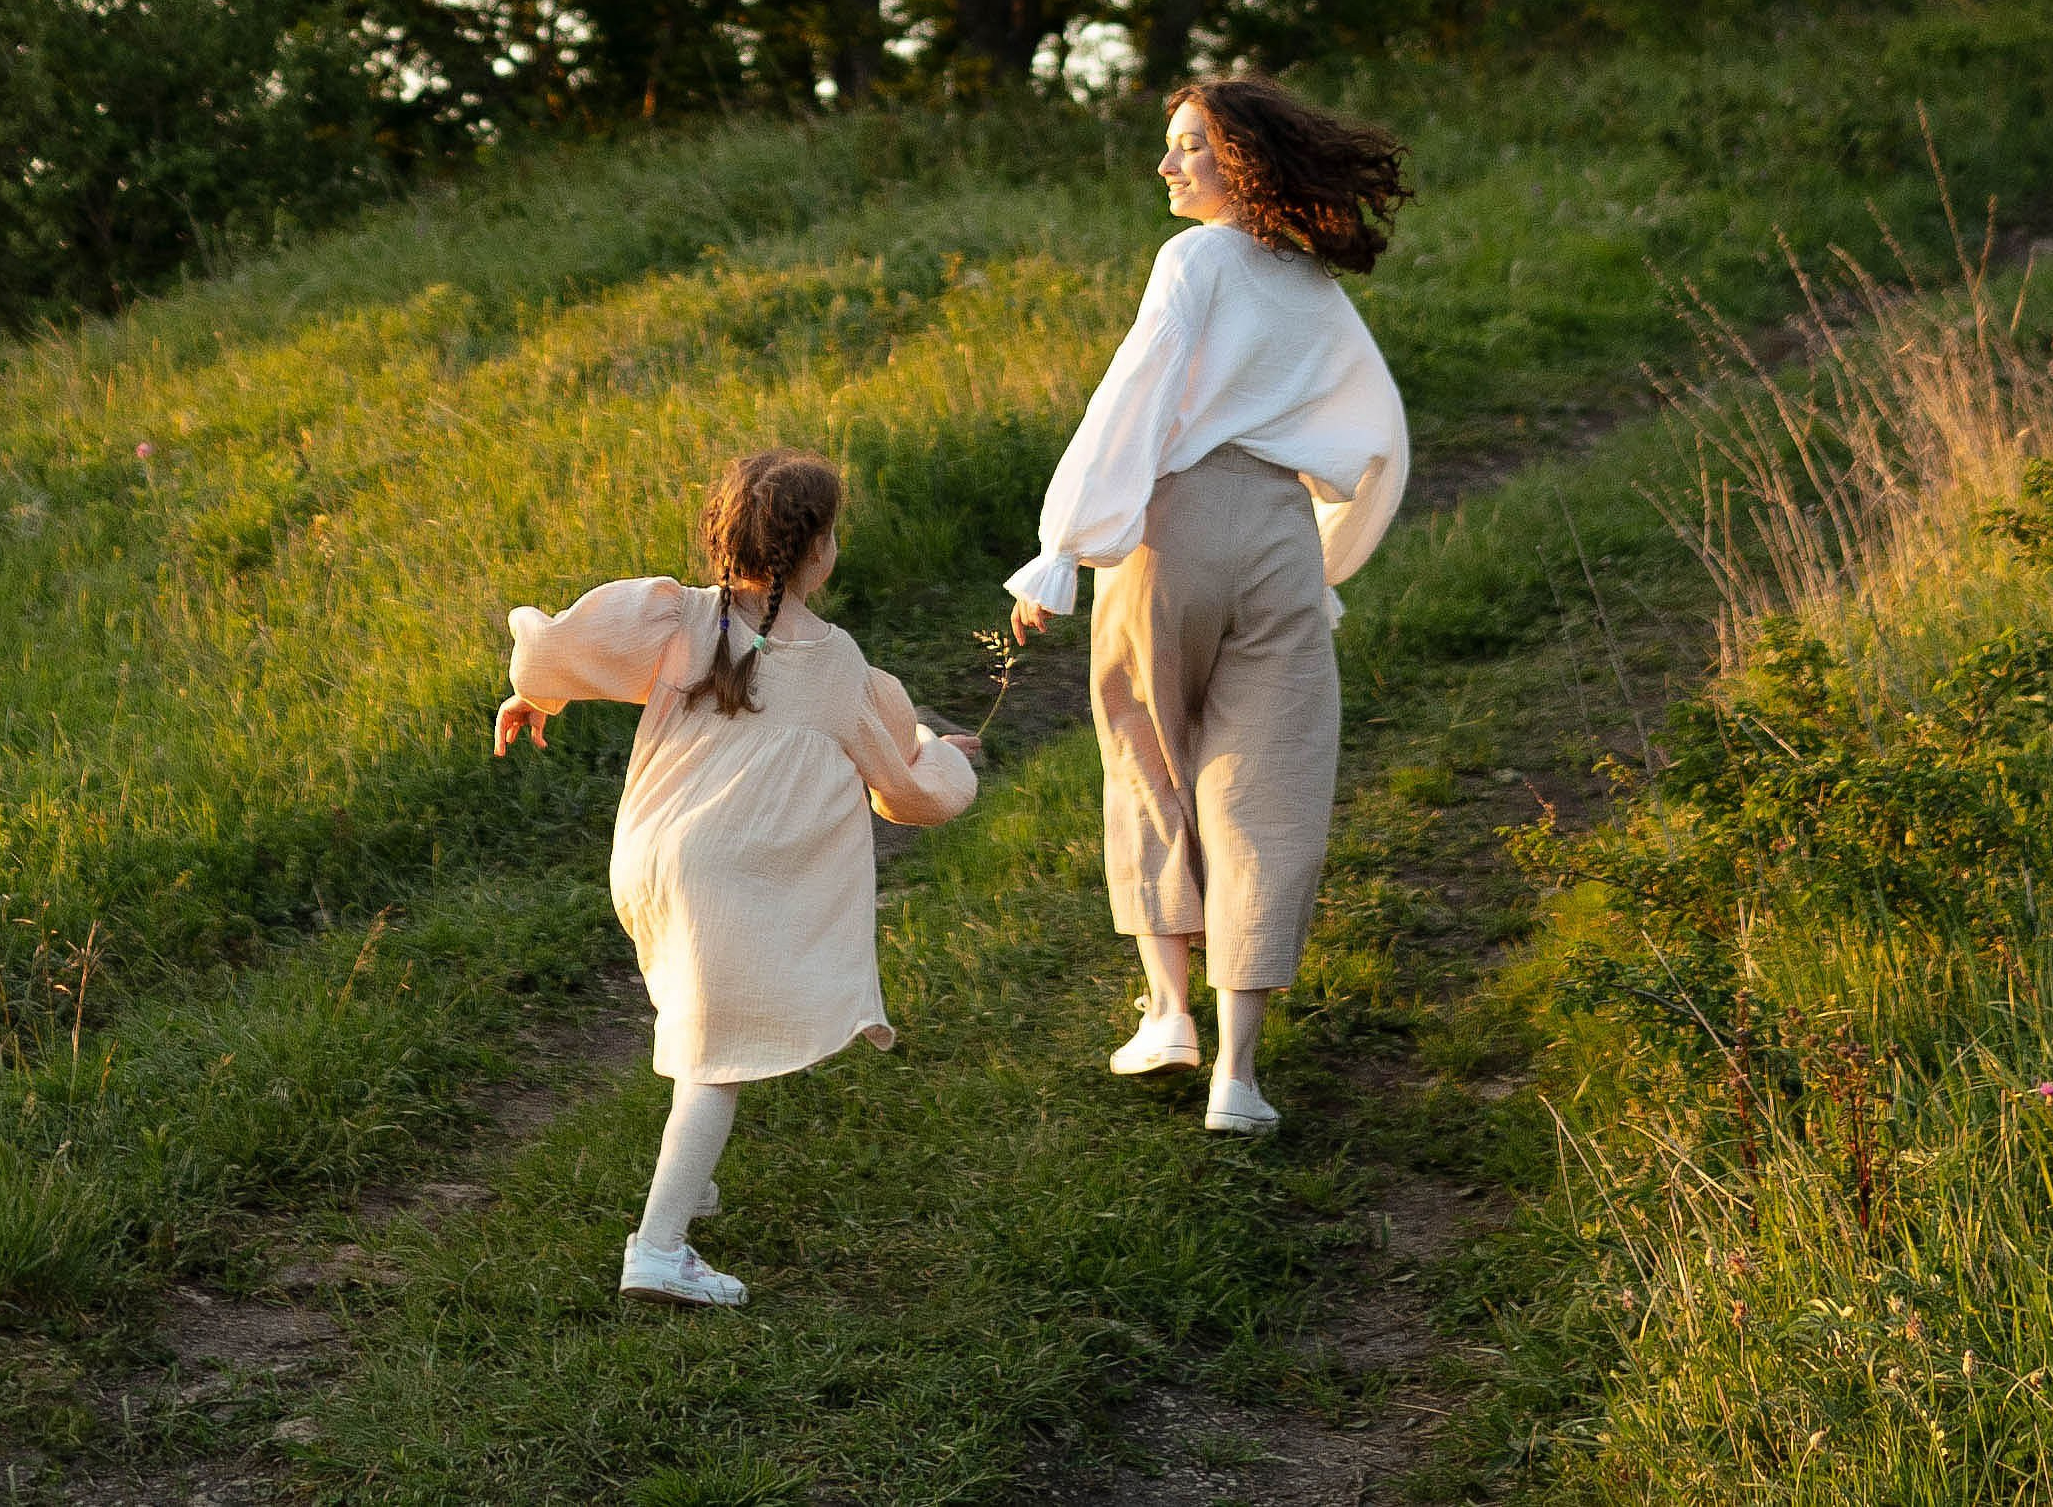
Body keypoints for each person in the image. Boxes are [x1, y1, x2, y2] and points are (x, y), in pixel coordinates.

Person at [1006, 76, 1409, 1135]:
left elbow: (1132, 399)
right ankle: (1239, 1075)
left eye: (1189, 146)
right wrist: (1328, 552)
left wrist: (1062, 549)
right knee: (1266, 789)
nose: (1168, 164)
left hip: (1169, 524)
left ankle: (1170, 1013)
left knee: (1149, 753)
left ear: (1244, 162)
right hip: (1278, 529)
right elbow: (1379, 430)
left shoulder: (1191, 259)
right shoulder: (1314, 284)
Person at [496, 446, 979, 1307]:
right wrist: (943, 759)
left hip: (649, 854)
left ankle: (691, 1179)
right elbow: (901, 788)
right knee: (714, 1064)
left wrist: (537, 693)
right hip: (725, 874)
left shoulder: (679, 617)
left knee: (699, 1014)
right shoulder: (833, 662)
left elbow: (559, 647)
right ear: (818, 549)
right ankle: (658, 1246)